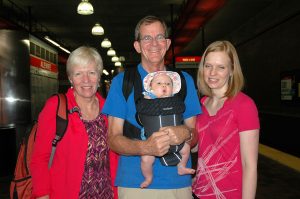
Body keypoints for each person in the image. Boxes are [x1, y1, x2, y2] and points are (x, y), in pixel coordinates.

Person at [102, 15, 201, 199]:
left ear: (168, 43)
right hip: (136, 185)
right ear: (137, 46)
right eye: (147, 38)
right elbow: (113, 139)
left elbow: (194, 135)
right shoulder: (123, 82)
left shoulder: (183, 81)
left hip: (177, 184)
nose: (154, 43)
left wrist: (185, 133)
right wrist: (146, 147)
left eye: (160, 37)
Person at [30, 46, 117, 199]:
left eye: (91, 73)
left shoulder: (109, 109)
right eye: (78, 74)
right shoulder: (56, 106)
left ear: (98, 76)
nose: (86, 80)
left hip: (106, 194)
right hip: (66, 193)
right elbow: (39, 158)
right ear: (70, 78)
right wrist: (42, 194)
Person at [192, 40, 260, 199]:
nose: (212, 73)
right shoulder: (201, 103)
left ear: (231, 70)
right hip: (199, 192)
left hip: (229, 194)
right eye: (208, 66)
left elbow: (249, 165)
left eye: (220, 67)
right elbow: (196, 148)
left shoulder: (244, 105)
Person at [139, 71, 195, 188]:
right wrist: (148, 97)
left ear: (173, 89)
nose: (164, 86)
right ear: (151, 87)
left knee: (186, 149)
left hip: (176, 142)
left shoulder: (176, 101)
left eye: (168, 84)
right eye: (159, 83)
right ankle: (148, 177)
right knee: (146, 160)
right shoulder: (148, 99)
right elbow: (141, 108)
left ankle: (181, 166)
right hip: (152, 143)